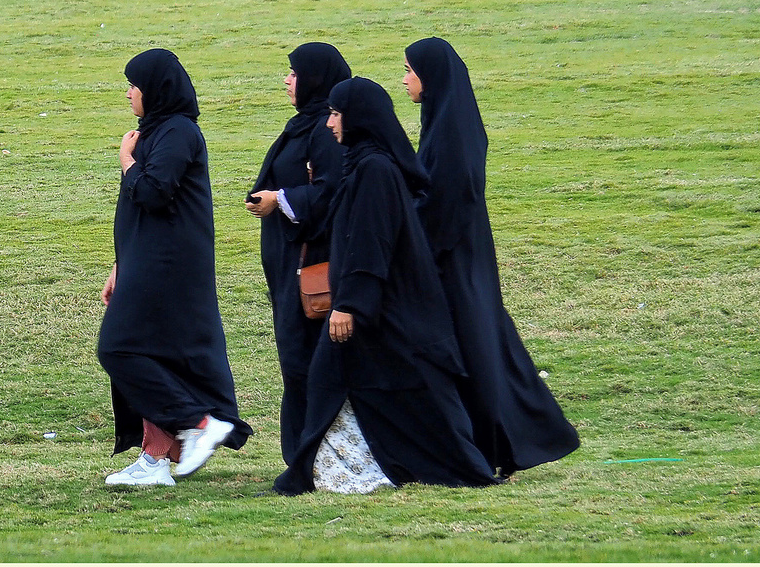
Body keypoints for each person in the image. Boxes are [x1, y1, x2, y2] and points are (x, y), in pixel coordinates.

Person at [275, 77, 497, 495]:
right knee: (352, 383)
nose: (329, 125)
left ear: (359, 118)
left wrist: (350, 305)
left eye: (337, 114)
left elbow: (370, 244)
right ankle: (341, 468)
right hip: (378, 309)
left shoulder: (375, 170)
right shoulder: (363, 163)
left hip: (382, 310)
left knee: (382, 386)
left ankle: (374, 469)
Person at [403, 37, 580, 476]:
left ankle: (501, 443)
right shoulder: (445, 120)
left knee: (475, 343)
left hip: (455, 257)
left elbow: (451, 196)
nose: (404, 80)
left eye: (409, 70)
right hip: (461, 253)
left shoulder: (451, 130)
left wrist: (419, 244)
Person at [97, 48, 253, 487]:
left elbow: (152, 192)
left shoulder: (179, 132)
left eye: (134, 85)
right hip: (146, 260)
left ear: (156, 89)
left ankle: (200, 424)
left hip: (167, 264)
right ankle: (154, 460)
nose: (129, 94)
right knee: (152, 357)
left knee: (118, 348)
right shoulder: (156, 131)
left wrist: (127, 163)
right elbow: (137, 215)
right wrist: (120, 265)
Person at [245, 42, 351, 466]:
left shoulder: (328, 127)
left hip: (314, 266)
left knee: (306, 360)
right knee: (296, 360)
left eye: (294, 73)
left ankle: (315, 459)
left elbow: (335, 191)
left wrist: (283, 199)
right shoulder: (306, 122)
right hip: (288, 263)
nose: (288, 80)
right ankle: (306, 457)